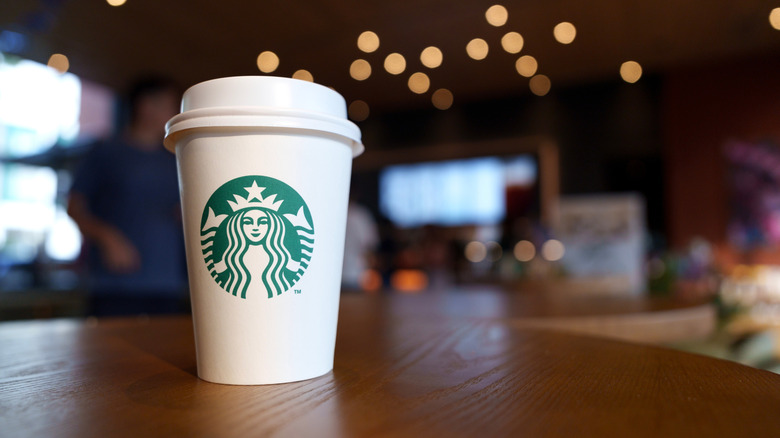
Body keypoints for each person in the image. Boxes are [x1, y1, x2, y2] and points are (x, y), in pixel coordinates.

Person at [67, 76, 188, 316]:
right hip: (115, 283)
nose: (175, 113)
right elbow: (74, 206)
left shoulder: (177, 158)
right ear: (145, 106)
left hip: (168, 282)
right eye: (169, 105)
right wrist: (107, 237)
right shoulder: (107, 151)